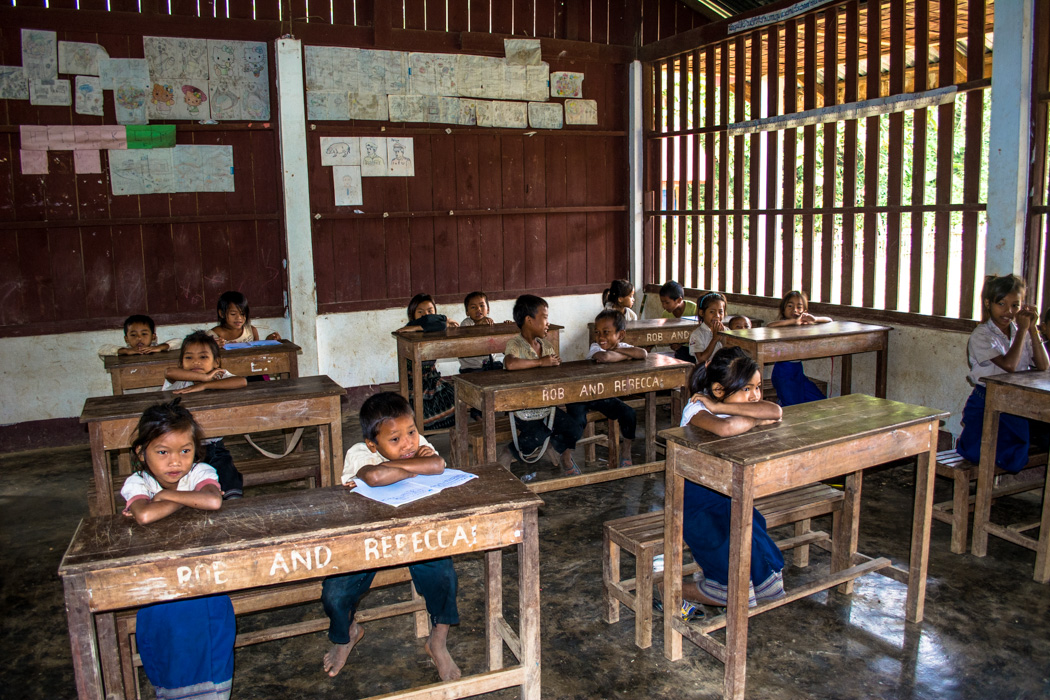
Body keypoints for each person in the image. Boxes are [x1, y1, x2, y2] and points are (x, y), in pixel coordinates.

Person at [321, 392, 461, 681]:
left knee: (444, 577)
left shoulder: (418, 445)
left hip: (416, 534)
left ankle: (437, 641)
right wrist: (412, 468)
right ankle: (348, 633)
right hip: (366, 538)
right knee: (335, 593)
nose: (409, 443)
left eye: (411, 432)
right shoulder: (360, 454)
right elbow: (372, 477)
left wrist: (395, 468)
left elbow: (437, 465)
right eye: (395, 440)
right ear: (373, 444)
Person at [120, 398, 235, 700]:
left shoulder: (199, 471)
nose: (175, 462)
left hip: (200, 562)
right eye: (162, 452)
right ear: (141, 453)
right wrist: (180, 499)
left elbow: (212, 501)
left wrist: (162, 499)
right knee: (169, 629)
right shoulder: (137, 481)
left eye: (185, 451)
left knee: (210, 619)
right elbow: (144, 515)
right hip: (157, 570)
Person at [679, 347, 785, 609]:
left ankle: (742, 581)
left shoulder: (725, 404)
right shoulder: (697, 408)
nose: (755, 396)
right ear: (717, 390)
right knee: (735, 587)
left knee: (765, 573)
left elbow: (775, 411)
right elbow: (726, 428)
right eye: (747, 389)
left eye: (758, 388)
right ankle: (673, 589)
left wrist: (727, 406)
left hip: (731, 495)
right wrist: (750, 418)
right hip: (698, 502)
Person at [956, 275, 1050, 472]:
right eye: (1002, 304)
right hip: (985, 402)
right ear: (988, 304)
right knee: (980, 452)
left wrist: (1032, 330)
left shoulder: (1020, 331)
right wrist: (1023, 331)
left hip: (1015, 406)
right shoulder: (981, 335)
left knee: (1015, 455)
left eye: (1015, 306)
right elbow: (1010, 366)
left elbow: (1043, 365)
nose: (1009, 311)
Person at [502, 294, 584, 479]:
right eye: (545, 317)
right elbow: (510, 364)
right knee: (538, 433)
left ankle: (556, 450)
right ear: (529, 320)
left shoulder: (546, 346)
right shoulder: (514, 344)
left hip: (547, 406)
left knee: (574, 428)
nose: (548, 322)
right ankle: (509, 452)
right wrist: (541, 363)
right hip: (521, 408)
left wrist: (554, 366)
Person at [163, 331, 247, 499]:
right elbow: (169, 372)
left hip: (213, 447)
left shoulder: (218, 376)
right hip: (182, 449)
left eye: (203, 357)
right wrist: (202, 376)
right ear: (181, 362)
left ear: (216, 362)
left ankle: (230, 498)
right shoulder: (179, 380)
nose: (196, 362)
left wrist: (205, 385)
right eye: (189, 358)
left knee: (226, 471)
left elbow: (242, 381)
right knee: (183, 479)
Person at [571, 309, 647, 468]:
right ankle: (566, 457)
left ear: (620, 334)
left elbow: (643, 353)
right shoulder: (595, 347)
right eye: (597, 332)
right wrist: (626, 354)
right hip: (584, 395)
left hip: (603, 396)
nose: (600, 337)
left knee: (629, 414)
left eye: (606, 332)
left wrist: (618, 351)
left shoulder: (622, 346)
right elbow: (604, 357)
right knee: (576, 421)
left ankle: (626, 450)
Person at [395, 293, 459, 431]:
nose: (426, 315)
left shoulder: (433, 326)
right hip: (414, 380)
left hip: (431, 377)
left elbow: (434, 322)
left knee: (455, 396)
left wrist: (446, 321)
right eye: (420, 312)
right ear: (412, 315)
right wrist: (418, 327)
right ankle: (424, 430)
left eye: (430, 311)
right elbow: (432, 322)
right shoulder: (409, 328)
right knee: (423, 406)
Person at [765, 291, 831, 406]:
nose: (794, 310)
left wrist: (814, 319)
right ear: (783, 309)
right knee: (791, 404)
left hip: (798, 370)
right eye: (790, 306)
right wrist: (793, 322)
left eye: (799, 307)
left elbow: (829, 320)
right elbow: (769, 326)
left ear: (804, 311)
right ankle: (780, 406)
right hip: (784, 371)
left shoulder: (804, 323)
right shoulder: (783, 324)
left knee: (819, 400)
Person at [208, 290, 280, 347]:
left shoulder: (251, 331)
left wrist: (268, 342)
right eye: (233, 314)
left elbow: (257, 353)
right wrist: (214, 347)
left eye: (242, 314)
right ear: (222, 314)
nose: (239, 318)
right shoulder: (212, 335)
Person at [458, 291, 504, 374]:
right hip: (471, 368)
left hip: (490, 365)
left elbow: (500, 339)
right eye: (473, 307)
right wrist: (479, 324)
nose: (478, 309)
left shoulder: (490, 322)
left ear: (488, 309)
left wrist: (506, 326)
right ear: (467, 312)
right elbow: (469, 338)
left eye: (482, 305)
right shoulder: (466, 323)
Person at [97, 314, 181, 356]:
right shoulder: (127, 351)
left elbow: (180, 342)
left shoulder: (156, 348)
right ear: (126, 339)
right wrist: (126, 351)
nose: (139, 338)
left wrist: (159, 348)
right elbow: (102, 349)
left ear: (153, 337)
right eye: (133, 335)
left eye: (144, 334)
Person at [658, 281, 697, 361]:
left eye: (667, 302)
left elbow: (699, 331)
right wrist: (672, 343)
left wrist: (681, 343)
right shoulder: (665, 315)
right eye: (662, 302)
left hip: (695, 347)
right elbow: (664, 332)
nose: (664, 306)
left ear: (679, 300)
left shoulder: (694, 310)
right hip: (680, 350)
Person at [687, 292, 727, 364]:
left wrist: (723, 338)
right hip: (705, 372)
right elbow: (701, 359)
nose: (717, 315)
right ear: (702, 313)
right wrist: (714, 339)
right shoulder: (697, 334)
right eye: (712, 312)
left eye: (720, 312)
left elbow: (733, 354)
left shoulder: (726, 331)